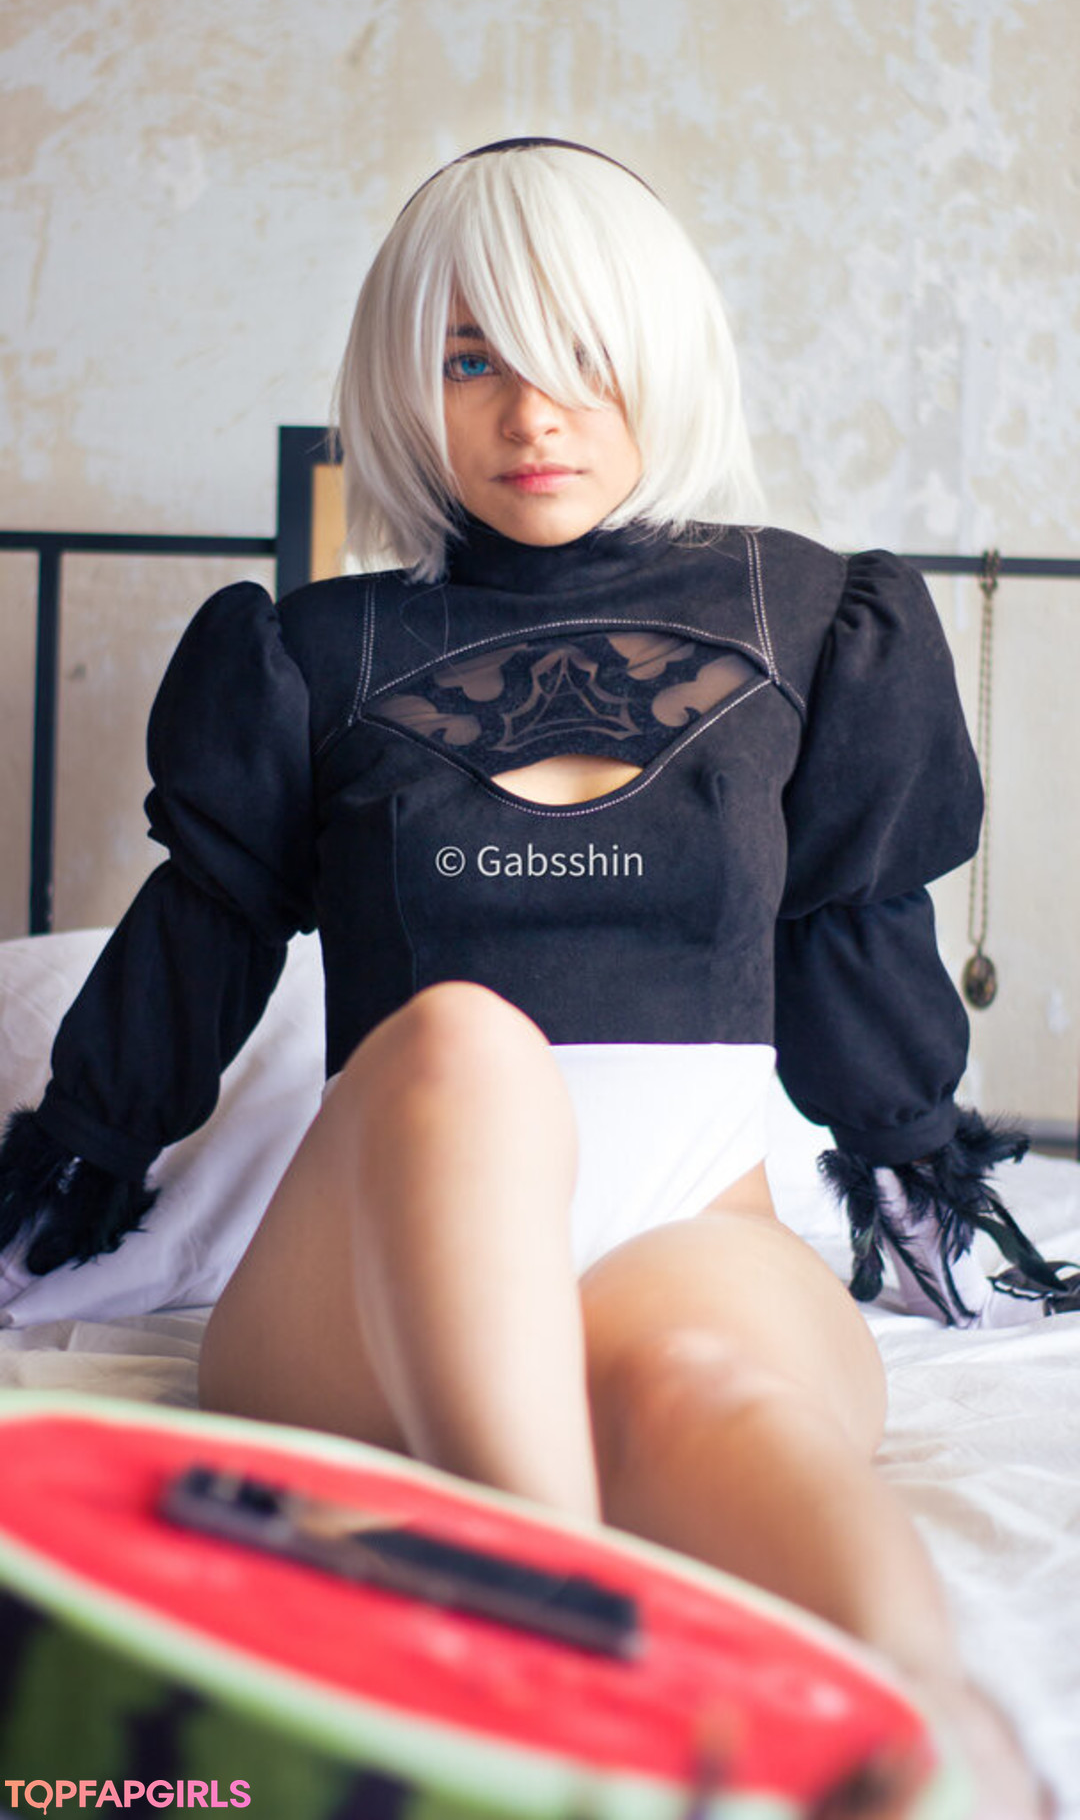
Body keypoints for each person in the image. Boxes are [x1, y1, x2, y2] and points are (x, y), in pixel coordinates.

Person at [0, 138, 1069, 1814]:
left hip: (690, 1237)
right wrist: (70, 1175)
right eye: (470, 362)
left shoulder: (808, 618)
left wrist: (924, 1171)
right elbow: (193, 955)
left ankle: (938, 1742)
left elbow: (847, 944)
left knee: (716, 1391)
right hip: (369, 1285)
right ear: (405, 385)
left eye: (580, 352)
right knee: (461, 1045)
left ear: (663, 350)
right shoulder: (316, 652)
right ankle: (554, 1638)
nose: (531, 415)